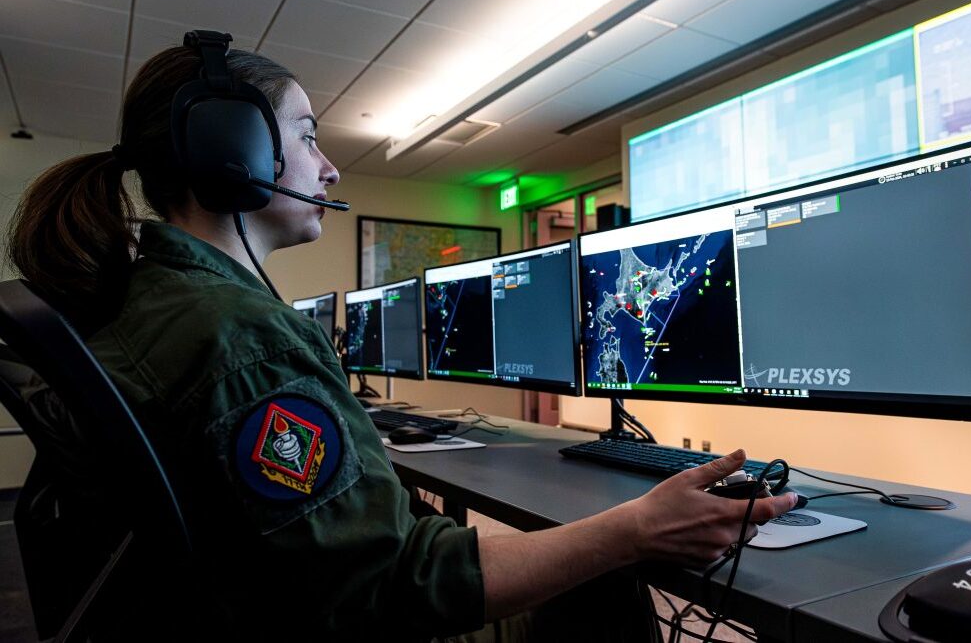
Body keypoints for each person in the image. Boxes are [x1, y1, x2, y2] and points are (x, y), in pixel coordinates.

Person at [7, 35, 796, 641]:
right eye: (309, 136)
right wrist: (633, 529)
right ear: (235, 155)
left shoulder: (154, 302)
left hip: (213, 611)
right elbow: (392, 586)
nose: (330, 169)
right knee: (596, 572)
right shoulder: (244, 338)